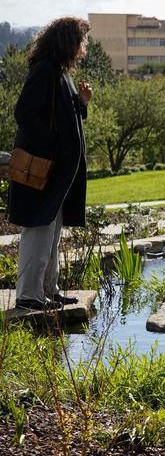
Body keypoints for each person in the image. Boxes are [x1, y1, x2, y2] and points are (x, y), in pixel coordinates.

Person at [8, 17, 93, 311]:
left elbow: (63, 117)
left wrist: (81, 103)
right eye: (82, 41)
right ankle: (29, 295)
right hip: (43, 169)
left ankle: (47, 289)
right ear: (68, 42)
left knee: (52, 231)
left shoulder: (59, 73)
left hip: (57, 172)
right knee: (38, 229)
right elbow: (24, 113)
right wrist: (52, 148)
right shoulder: (45, 70)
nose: (84, 47)